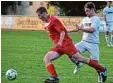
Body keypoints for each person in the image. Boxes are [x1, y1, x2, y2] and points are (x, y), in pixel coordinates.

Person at [36, 7, 107, 83]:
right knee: (47, 58)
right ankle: (54, 78)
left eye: (40, 15)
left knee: (81, 59)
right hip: (59, 46)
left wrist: (60, 42)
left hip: (66, 44)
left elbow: (63, 32)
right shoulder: (46, 21)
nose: (39, 17)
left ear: (44, 13)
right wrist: (58, 43)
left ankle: (102, 69)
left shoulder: (54, 20)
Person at [68, 2, 105, 82]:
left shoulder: (96, 19)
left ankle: (100, 75)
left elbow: (92, 30)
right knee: (70, 52)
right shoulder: (85, 19)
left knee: (96, 64)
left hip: (93, 44)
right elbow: (79, 28)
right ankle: (78, 64)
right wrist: (68, 31)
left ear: (92, 9)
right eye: (85, 11)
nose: (86, 12)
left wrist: (81, 29)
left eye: (88, 11)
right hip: (83, 42)